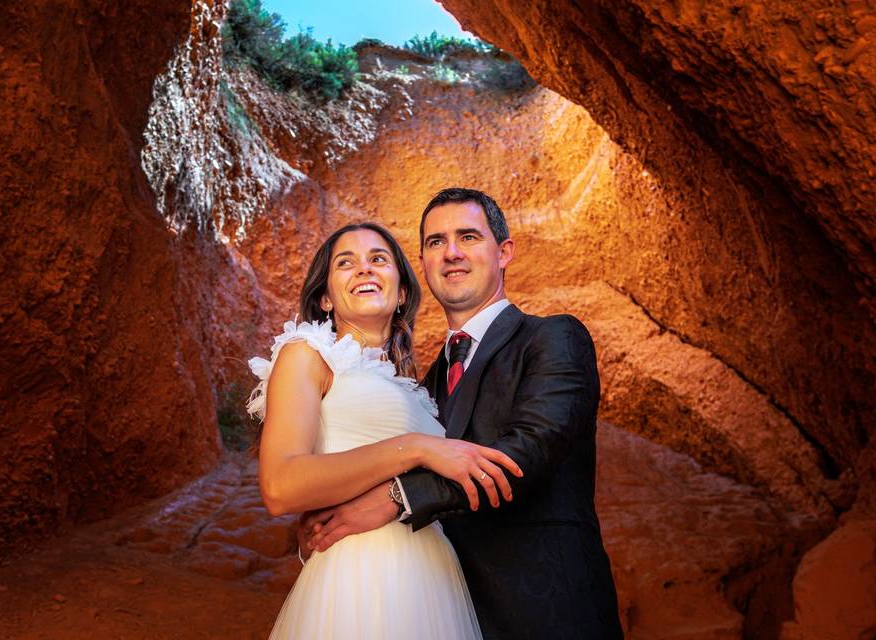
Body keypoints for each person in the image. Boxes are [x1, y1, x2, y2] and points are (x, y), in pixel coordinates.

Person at [303, 189, 623, 639]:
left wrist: (397, 498)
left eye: (468, 237)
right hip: (445, 614)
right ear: (422, 263)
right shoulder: (419, 387)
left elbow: (529, 450)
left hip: (547, 613)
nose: (451, 253)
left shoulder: (554, 338)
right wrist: (327, 519)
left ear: (504, 252)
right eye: (436, 242)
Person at [245, 221, 523, 639]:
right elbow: (281, 485)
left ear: (403, 292)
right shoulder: (307, 354)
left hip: (432, 579)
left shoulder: (417, 388)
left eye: (378, 259)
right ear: (324, 297)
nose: (364, 269)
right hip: (360, 576)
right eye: (346, 263)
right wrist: (414, 448)